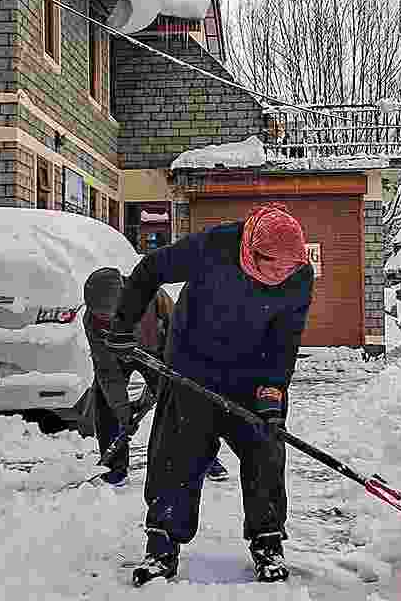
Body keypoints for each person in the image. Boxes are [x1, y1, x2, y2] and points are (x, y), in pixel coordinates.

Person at [105, 203, 315, 585]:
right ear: (252, 252)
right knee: (177, 455)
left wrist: (272, 395)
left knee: (266, 450)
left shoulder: (299, 275)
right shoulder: (217, 246)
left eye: (292, 269)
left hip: (252, 374)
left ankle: (267, 542)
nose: (284, 276)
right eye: (276, 269)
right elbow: (150, 270)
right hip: (192, 366)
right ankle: (161, 546)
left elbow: (285, 340)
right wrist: (123, 325)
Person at [82, 287, 173, 485]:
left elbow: (178, 337)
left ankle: (205, 459)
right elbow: (108, 373)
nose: (104, 320)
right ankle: (115, 470)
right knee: (105, 403)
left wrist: (163, 384)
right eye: (100, 316)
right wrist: (123, 416)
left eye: (109, 316)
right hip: (115, 356)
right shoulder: (92, 321)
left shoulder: (154, 299)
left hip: (157, 353)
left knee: (178, 404)